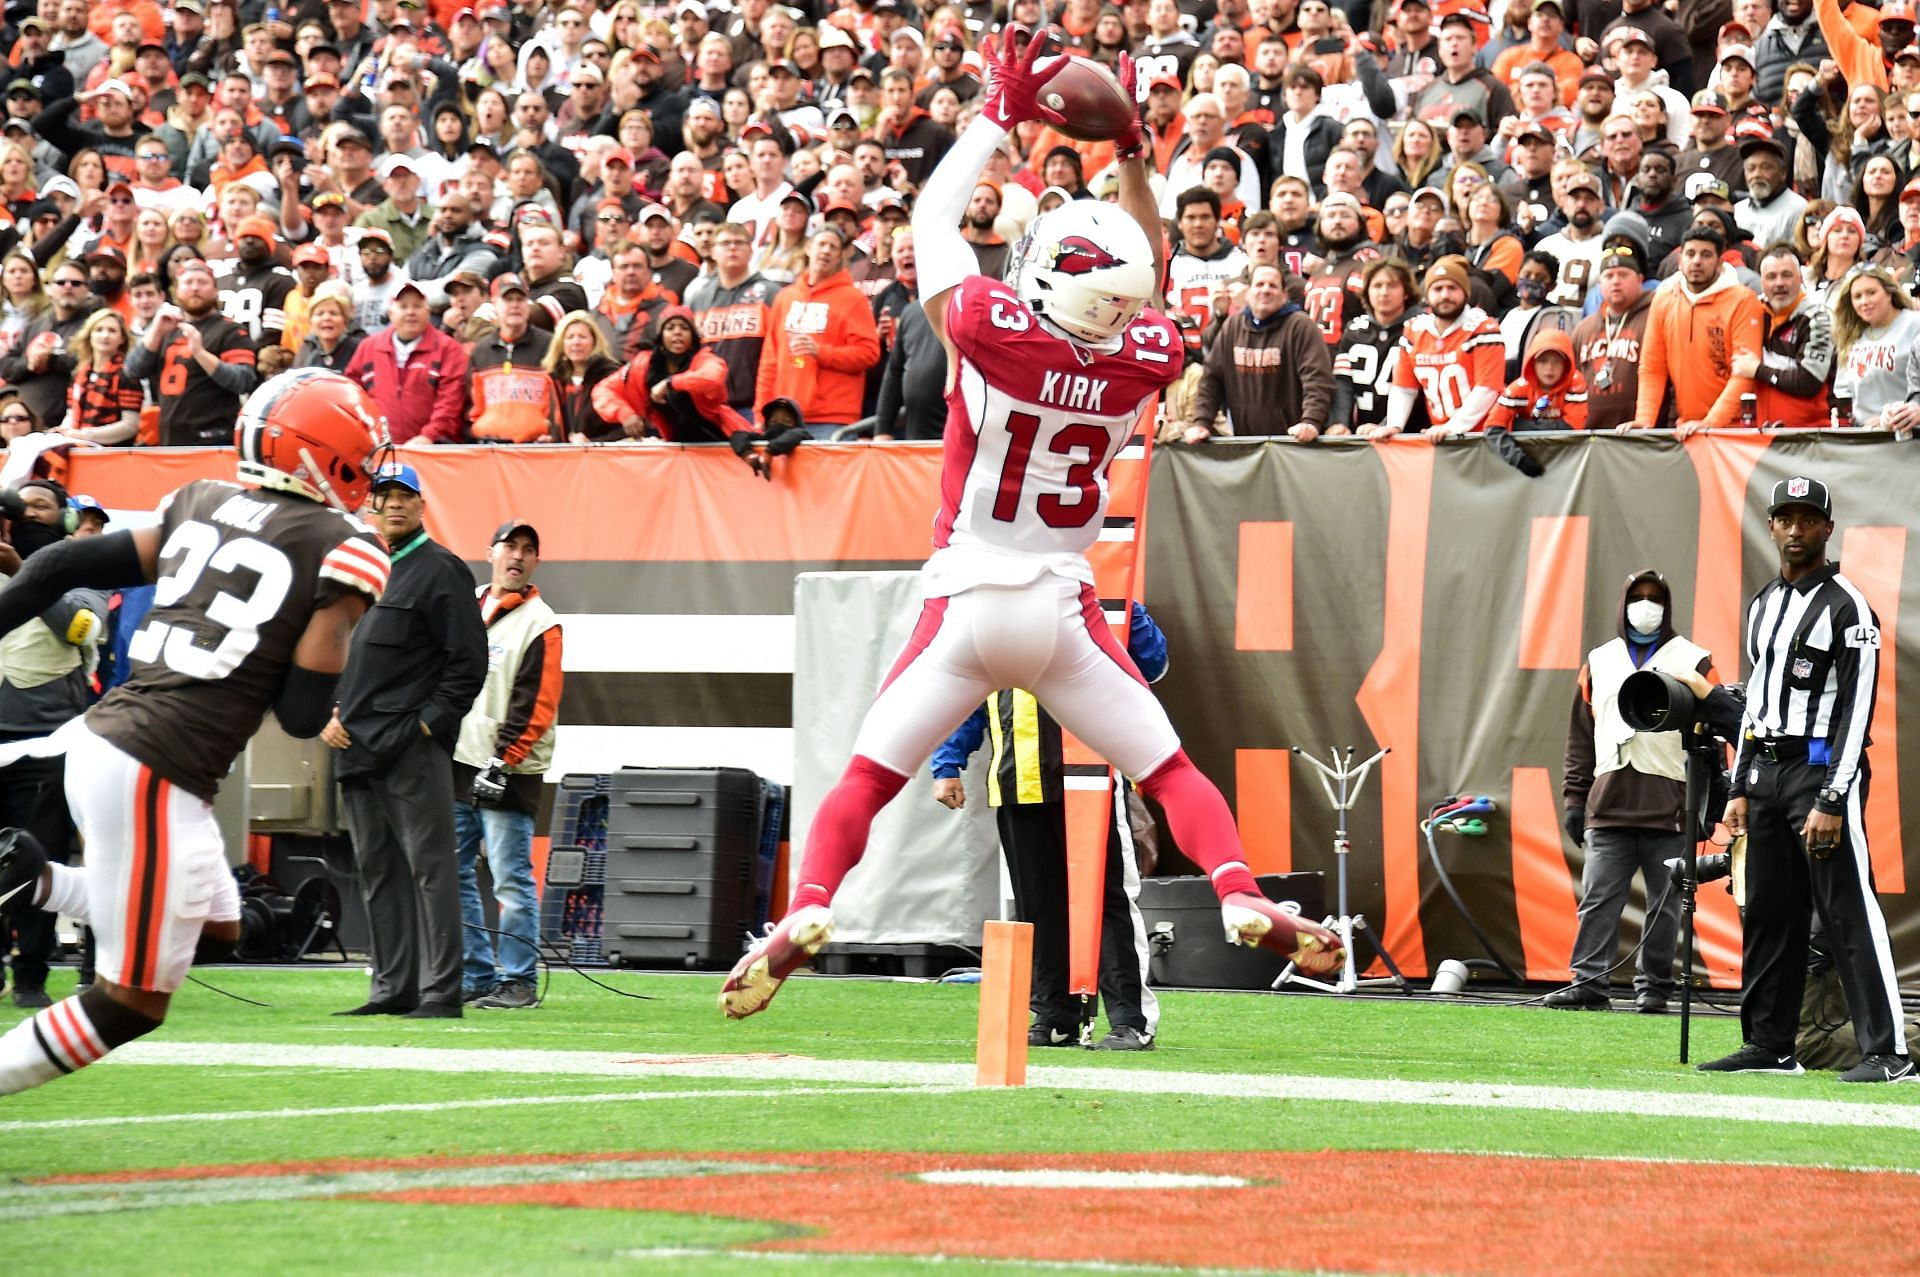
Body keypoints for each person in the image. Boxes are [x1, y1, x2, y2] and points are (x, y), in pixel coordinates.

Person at [718, 35, 1343, 1022]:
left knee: (866, 778)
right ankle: (1237, 888)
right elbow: (1151, 263)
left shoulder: (990, 331)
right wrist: (1135, 147)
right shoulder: (1142, 357)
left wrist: (999, 110)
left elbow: (932, 216)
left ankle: (807, 905)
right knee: (1170, 768)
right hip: (1060, 605)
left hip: (968, 596)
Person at [0, 368, 390, 1096]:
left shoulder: (199, 501)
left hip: (110, 735)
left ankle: (37, 879)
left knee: (220, 929)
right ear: (323, 454)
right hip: (159, 764)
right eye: (362, 454)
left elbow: (57, 562)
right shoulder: (343, 547)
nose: (369, 471)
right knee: (131, 1001)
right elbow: (304, 713)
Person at [1704, 478, 1911, 1083]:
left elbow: (1857, 712)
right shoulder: (1764, 603)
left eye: (1807, 519)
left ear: (1828, 527)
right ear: (1770, 526)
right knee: (1768, 911)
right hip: (1765, 769)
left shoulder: (1849, 605)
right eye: (1784, 518)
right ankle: (1770, 1045)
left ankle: (1889, 1052)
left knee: (1847, 910)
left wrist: (1832, 797)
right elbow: (1757, 702)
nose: (1795, 530)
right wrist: (1739, 785)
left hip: (1819, 770)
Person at [930, 603, 1170, 1052]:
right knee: (1038, 907)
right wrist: (946, 763)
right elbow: (966, 695)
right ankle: (1054, 1015)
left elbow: (1153, 664)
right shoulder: (987, 607)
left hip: (1093, 778)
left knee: (1109, 900)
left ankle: (1130, 1021)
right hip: (1017, 780)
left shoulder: (1096, 593)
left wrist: (1126, 607)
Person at [323, 462, 488, 1021]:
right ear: (370, 504)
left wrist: (427, 725)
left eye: (405, 496)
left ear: (422, 506)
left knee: (431, 868)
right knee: (377, 869)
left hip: (410, 746)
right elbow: (328, 654)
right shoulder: (356, 570)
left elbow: (468, 663)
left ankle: (441, 993)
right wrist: (325, 714)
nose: (395, 504)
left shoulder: (442, 569)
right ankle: (392, 988)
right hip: (353, 745)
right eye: (385, 495)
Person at [1547, 571, 1714, 1013]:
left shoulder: (1694, 660)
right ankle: (1589, 982)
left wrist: (1711, 802)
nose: (1646, 606)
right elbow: (1581, 738)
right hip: (1609, 802)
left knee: (1666, 904)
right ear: (1622, 604)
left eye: (1655, 597)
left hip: (1672, 804)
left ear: (1669, 604)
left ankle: (1654, 987)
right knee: (1599, 898)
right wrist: (1574, 799)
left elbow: (1716, 736)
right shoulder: (1599, 660)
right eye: (1637, 598)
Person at [0, 480, 105, 1010]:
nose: (26, 514)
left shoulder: (80, 570)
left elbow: (82, 629)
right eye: (18, 507)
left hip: (45, 742)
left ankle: (32, 976)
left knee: (37, 858)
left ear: (64, 520)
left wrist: (23, 572)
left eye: (40, 507)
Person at [452, 520, 563, 1010]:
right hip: (459, 761)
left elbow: (538, 703)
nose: (517, 555)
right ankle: (476, 972)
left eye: (527, 549)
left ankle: (518, 980)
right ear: (491, 552)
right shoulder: (467, 604)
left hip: (507, 773)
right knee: (452, 872)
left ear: (536, 562)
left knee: (510, 878)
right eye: (509, 546)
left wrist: (503, 761)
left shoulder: (543, 623)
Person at [1629, 225, 1765, 435]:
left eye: (1706, 254)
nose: (1697, 261)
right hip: (1687, 428)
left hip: (1736, 430)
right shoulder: (1664, 299)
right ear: (1680, 260)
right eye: (1690, 254)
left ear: (1720, 262)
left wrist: (1710, 422)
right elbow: (1652, 367)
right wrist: (1644, 420)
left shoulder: (1743, 300)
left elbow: (1744, 374)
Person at [754, 227, 881, 438]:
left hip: (833, 419)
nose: (826, 251)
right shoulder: (785, 298)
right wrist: (761, 413)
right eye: (822, 244)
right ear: (808, 248)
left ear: (840, 257)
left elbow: (868, 353)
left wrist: (820, 352)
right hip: (785, 416)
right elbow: (769, 361)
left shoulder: (853, 299)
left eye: (833, 247)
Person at [1185, 265, 1335, 441]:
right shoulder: (1232, 326)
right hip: (1248, 447)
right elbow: (1211, 379)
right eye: (1259, 284)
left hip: (1296, 444)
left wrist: (1311, 421)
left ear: (1285, 295)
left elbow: (1317, 380)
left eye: (1273, 285)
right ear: (1247, 293)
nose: (1265, 290)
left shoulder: (1301, 327)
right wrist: (1202, 422)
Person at [125, 257, 258, 445]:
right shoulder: (166, 328)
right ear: (176, 291)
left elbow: (243, 381)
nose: (195, 288)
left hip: (215, 440)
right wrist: (155, 332)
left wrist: (200, 353)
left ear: (215, 290)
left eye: (202, 282)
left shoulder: (231, 330)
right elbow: (132, 371)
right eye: (188, 282)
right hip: (170, 440)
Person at [1383, 255, 1506, 438]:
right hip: (1441, 436)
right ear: (1427, 294)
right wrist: (1394, 425)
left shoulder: (1483, 328)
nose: (1445, 295)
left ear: (1466, 292)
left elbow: (1487, 388)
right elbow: (1404, 387)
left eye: (1452, 288)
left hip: (1486, 435)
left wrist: (1453, 427)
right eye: (1438, 288)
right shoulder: (1414, 330)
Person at [343, 280, 471, 446]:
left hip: (435, 450)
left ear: (428, 311)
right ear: (391, 313)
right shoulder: (369, 347)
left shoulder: (448, 349)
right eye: (403, 306)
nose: (411, 312)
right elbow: (351, 394)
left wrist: (428, 436)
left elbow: (450, 403)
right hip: (378, 450)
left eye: (417, 306)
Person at [1746, 244, 1835, 429]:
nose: (1779, 283)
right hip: (1761, 433)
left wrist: (1758, 371)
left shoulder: (1817, 317)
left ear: (1800, 279)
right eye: (1771, 277)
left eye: (1786, 275)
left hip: (1808, 435)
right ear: (1762, 283)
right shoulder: (1751, 313)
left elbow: (1808, 382)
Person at [1571, 245, 1656, 432]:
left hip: (1639, 434)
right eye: (1609, 276)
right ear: (1599, 285)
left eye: (1623, 275)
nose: (1616, 281)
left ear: (1640, 280)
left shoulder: (1654, 317)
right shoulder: (1583, 328)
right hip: (1589, 436)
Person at [1831, 266, 1920, 429]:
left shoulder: (1914, 325)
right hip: (1865, 439)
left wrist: (1888, 418)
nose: (1864, 301)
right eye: (1857, 296)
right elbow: (1844, 393)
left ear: (1889, 293)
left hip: (1907, 435)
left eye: (1871, 293)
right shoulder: (1852, 336)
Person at [1488, 327, 1589, 430]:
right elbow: (1493, 425)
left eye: (1557, 361)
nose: (1549, 367)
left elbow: (1575, 426)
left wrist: (1521, 426)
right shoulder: (1520, 387)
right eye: (1543, 361)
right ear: (1533, 363)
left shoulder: (1575, 383)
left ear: (1566, 365)